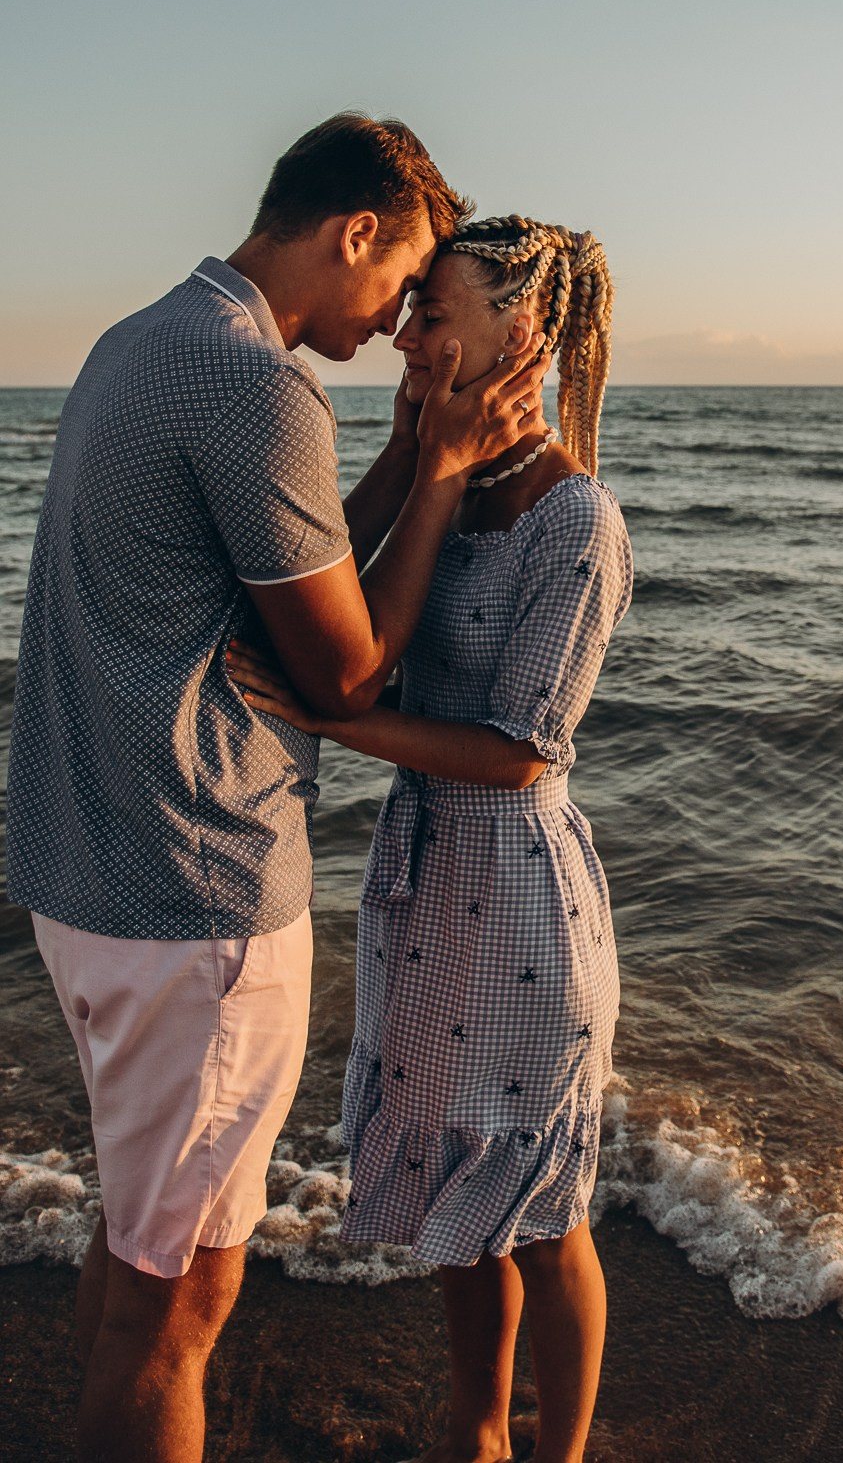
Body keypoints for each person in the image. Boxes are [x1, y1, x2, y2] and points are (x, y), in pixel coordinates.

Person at [6, 116, 547, 1463]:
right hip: (194, 900)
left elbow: (280, 555)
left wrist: (399, 455)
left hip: (85, 881)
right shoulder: (256, 386)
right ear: (354, 231)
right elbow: (349, 676)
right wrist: (443, 470)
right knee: (181, 1298)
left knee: (138, 1251)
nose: (399, 320)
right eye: (401, 280)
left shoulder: (145, 343)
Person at [228, 216, 632, 1463]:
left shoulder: (578, 523)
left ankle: (554, 1450)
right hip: (426, 881)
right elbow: (355, 612)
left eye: (435, 314)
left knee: (542, 1209)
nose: (406, 331)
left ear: (521, 336)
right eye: (409, 311)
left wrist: (331, 719)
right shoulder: (454, 494)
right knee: (463, 1195)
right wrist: (420, 463)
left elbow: (520, 750)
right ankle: (475, 1430)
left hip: (516, 902)